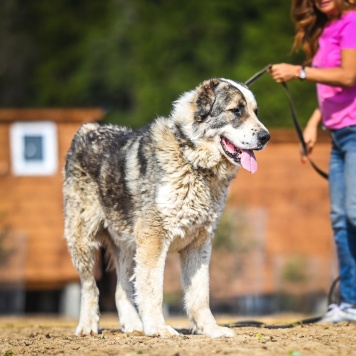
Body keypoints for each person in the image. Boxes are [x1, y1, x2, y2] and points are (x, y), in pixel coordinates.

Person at [269, 0, 356, 322]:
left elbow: (348, 76)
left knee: (354, 213)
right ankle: (350, 304)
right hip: (338, 134)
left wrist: (299, 71)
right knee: (341, 220)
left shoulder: (353, 23)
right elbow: (333, 89)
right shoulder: (329, 27)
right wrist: (312, 121)